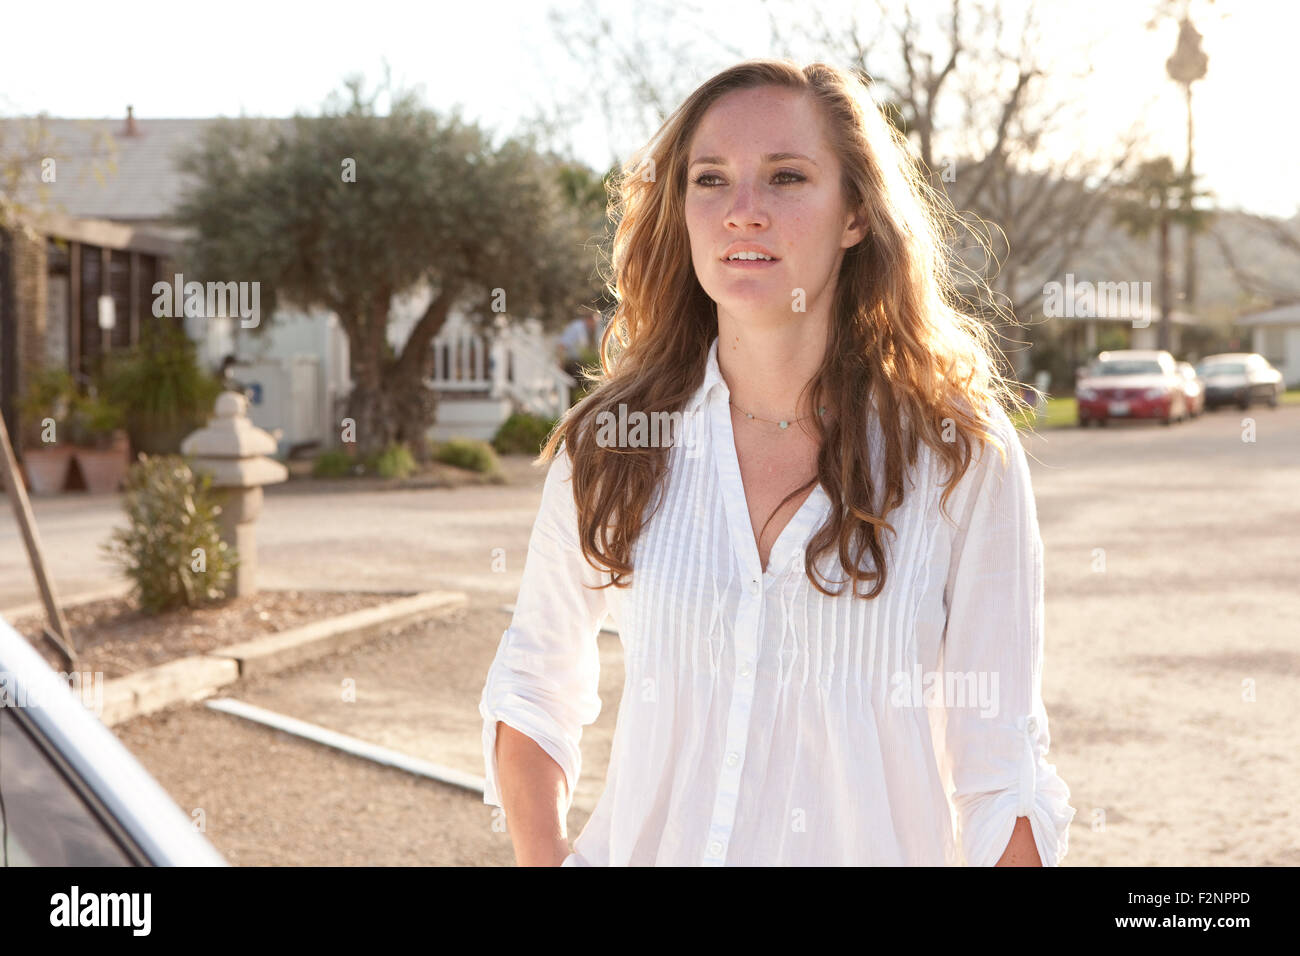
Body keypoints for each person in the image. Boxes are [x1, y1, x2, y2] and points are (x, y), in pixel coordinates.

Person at [479, 59, 1075, 866]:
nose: (743, 213)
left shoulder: (960, 457)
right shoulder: (613, 446)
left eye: (787, 177)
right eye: (711, 180)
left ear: (856, 214)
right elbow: (533, 690)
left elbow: (1003, 766)